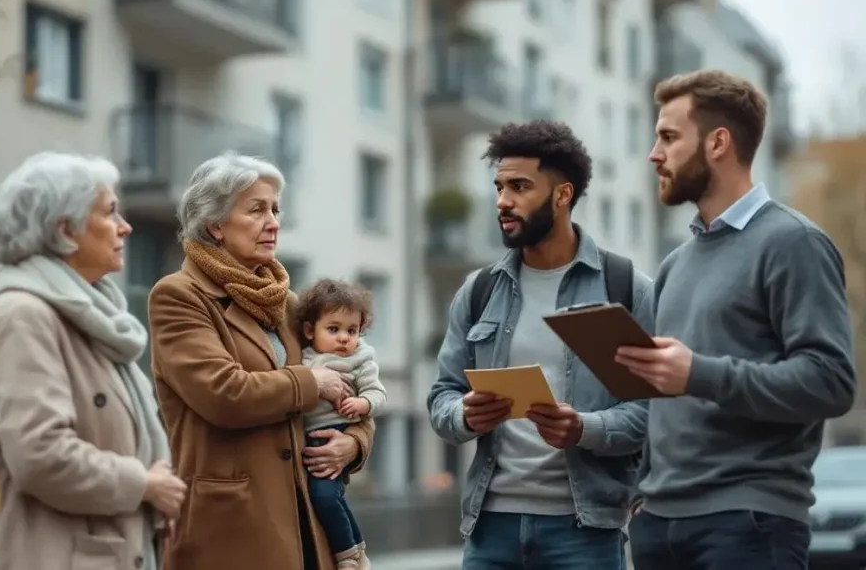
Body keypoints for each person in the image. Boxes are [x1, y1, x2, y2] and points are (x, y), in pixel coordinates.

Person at [618, 69, 856, 570]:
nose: (653, 154)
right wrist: (641, 496)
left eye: (668, 137)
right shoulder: (675, 264)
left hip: (748, 524)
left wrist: (699, 373)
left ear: (718, 142)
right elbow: (662, 403)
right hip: (657, 525)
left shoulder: (793, 243)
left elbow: (831, 382)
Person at [427, 121, 653, 570]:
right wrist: (465, 414)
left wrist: (583, 429)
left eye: (520, 186)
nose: (502, 201)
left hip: (584, 532)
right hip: (490, 529)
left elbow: (651, 416)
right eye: (499, 186)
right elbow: (441, 399)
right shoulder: (479, 291)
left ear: (562, 195)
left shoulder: (625, 289)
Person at [147, 151, 376, 570]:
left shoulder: (288, 303)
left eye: (275, 209)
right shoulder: (178, 295)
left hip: (305, 522)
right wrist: (311, 382)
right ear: (215, 224)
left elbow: (354, 383)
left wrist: (353, 444)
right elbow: (223, 394)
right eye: (256, 210)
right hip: (230, 529)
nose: (273, 221)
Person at [0, 152, 186, 570]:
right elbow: (41, 456)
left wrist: (155, 496)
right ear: (65, 229)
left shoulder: (94, 318)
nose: (126, 227)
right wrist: (145, 485)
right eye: (110, 212)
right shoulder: (21, 315)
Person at [296, 278, 387, 570]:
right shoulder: (304, 359)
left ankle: (347, 554)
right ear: (310, 330)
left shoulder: (361, 360)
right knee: (328, 497)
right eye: (333, 329)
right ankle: (358, 551)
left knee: (324, 495)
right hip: (309, 439)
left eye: (352, 331)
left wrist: (363, 404)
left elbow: (378, 394)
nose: (344, 338)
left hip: (338, 432)